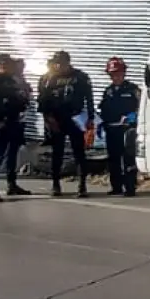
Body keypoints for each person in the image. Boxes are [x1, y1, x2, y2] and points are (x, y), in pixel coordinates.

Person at [37, 50, 94, 197]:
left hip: (75, 118)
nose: (58, 66)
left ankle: (82, 185)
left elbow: (89, 98)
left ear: (68, 63)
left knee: (79, 153)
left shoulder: (80, 77)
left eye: (61, 63)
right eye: (56, 63)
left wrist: (90, 119)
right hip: (56, 120)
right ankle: (56, 185)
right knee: (57, 153)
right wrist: (48, 120)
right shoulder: (47, 78)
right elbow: (42, 101)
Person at [0, 54, 32, 202]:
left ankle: (12, 185)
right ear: (0, 66)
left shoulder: (14, 81)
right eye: (5, 65)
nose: (9, 68)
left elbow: (22, 98)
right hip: (0, 124)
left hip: (15, 122)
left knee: (12, 155)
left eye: (10, 65)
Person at [98, 56, 140, 197]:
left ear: (123, 73)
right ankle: (116, 186)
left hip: (127, 129)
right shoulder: (108, 91)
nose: (115, 77)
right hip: (112, 129)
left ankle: (130, 187)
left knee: (128, 158)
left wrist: (132, 117)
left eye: (117, 74)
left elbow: (141, 108)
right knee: (113, 159)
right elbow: (103, 109)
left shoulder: (133, 89)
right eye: (112, 74)